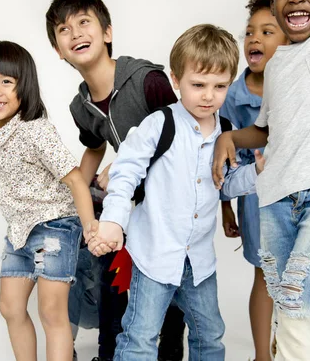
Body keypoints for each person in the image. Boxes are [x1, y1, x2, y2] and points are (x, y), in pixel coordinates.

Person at [91, 24, 262, 360]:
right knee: (140, 337)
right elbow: (125, 171)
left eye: (219, 86)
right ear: (175, 80)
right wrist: (113, 220)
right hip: (154, 255)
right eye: (197, 85)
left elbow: (225, 185)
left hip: (198, 260)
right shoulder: (160, 124)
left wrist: (257, 173)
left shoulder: (226, 131)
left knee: (209, 336)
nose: (208, 95)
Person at [45, 0, 183, 361]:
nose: (75, 33)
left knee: (168, 282)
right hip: (129, 199)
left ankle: (169, 350)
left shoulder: (146, 79)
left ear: (107, 31)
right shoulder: (81, 104)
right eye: (64, 29)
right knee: (110, 275)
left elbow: (181, 133)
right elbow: (94, 147)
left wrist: (124, 166)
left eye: (84, 22)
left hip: (169, 200)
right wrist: (75, 190)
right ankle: (109, 352)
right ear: (58, 50)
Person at [0, 40, 98, 361]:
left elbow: (74, 180)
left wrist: (90, 228)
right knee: (10, 307)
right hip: (19, 231)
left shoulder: (35, 130)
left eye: (6, 82)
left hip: (55, 226)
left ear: (23, 86)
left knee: (51, 312)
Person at [213, 0, 310, 361]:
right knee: (284, 296)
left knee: (301, 308)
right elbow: (265, 129)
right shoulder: (279, 66)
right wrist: (229, 140)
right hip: (277, 200)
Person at [219, 0, 288, 361]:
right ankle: (263, 354)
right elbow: (222, 157)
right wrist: (225, 208)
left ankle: (289, 343)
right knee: (265, 275)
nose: (254, 39)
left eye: (267, 31)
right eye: (249, 32)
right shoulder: (230, 95)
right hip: (256, 200)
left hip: (300, 194)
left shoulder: (301, 86)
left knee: (297, 276)